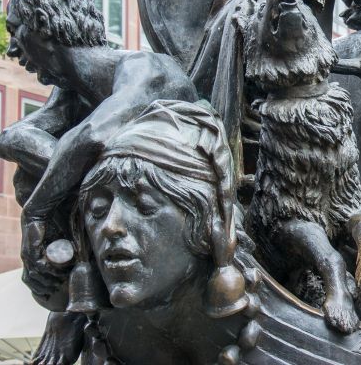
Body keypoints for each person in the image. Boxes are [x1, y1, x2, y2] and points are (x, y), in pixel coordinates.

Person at [0, 0, 198, 365]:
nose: (11, 48)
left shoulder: (145, 67)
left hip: (173, 217)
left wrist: (36, 213)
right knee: (33, 167)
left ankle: (71, 301)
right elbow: (12, 138)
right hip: (124, 217)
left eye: (15, 31)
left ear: (42, 23)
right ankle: (73, 287)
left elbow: (93, 138)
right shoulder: (71, 96)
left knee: (72, 162)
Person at [73, 100, 254, 364]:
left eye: (144, 206)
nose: (110, 226)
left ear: (205, 224)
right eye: (98, 210)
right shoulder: (102, 338)